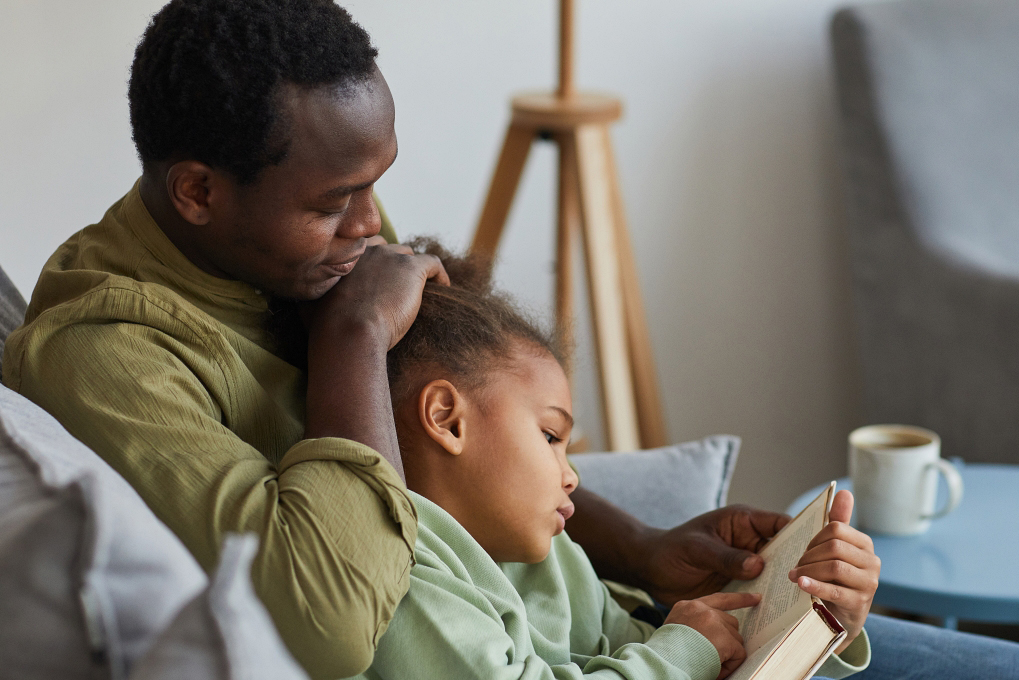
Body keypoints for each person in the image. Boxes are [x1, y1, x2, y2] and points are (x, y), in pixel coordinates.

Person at [3, 1, 1018, 679]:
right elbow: (325, 617)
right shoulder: (109, 354)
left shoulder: (300, 239)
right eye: (335, 202)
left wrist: (651, 550)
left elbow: (468, 433)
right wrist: (354, 332)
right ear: (196, 190)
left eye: (375, 182)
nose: (372, 227)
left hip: (598, 628)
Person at [357, 238, 875, 680]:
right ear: (448, 419)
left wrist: (818, 623)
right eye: (549, 434)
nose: (571, 476)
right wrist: (681, 653)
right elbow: (666, 659)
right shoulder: (406, 576)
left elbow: (646, 646)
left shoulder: (551, 556)